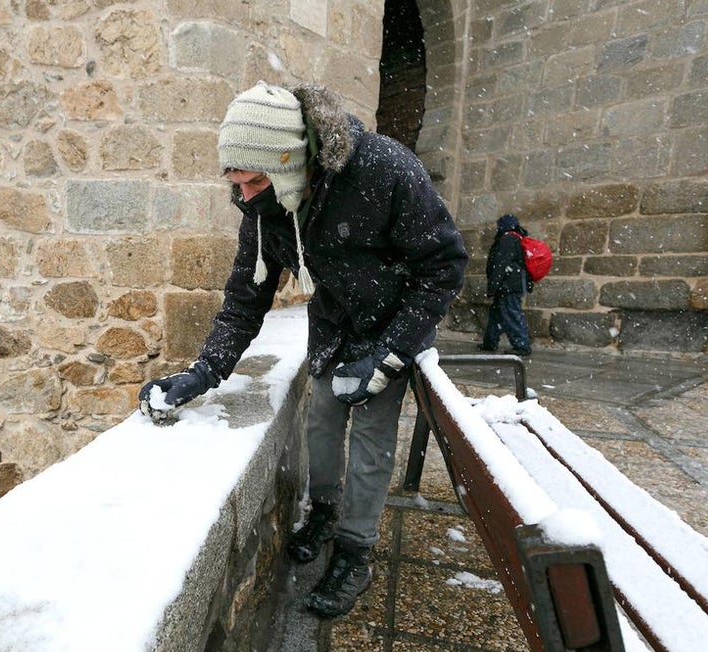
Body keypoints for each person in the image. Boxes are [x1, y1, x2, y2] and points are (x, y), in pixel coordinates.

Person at [138, 82, 468, 618]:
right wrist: (204, 371)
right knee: (322, 423)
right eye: (236, 183)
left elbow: (444, 265)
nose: (245, 196)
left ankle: (355, 550)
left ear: (293, 162)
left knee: (371, 443)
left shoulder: (383, 169)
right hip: (335, 324)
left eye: (256, 182)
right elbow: (246, 297)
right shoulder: (266, 208)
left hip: (393, 326)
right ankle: (323, 510)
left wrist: (387, 357)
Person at [478, 214, 532, 357]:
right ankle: (490, 342)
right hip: (511, 284)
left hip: (508, 285)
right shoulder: (517, 239)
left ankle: (522, 346)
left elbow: (500, 265)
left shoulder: (507, 239)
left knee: (512, 313)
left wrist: (492, 287)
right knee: (496, 314)